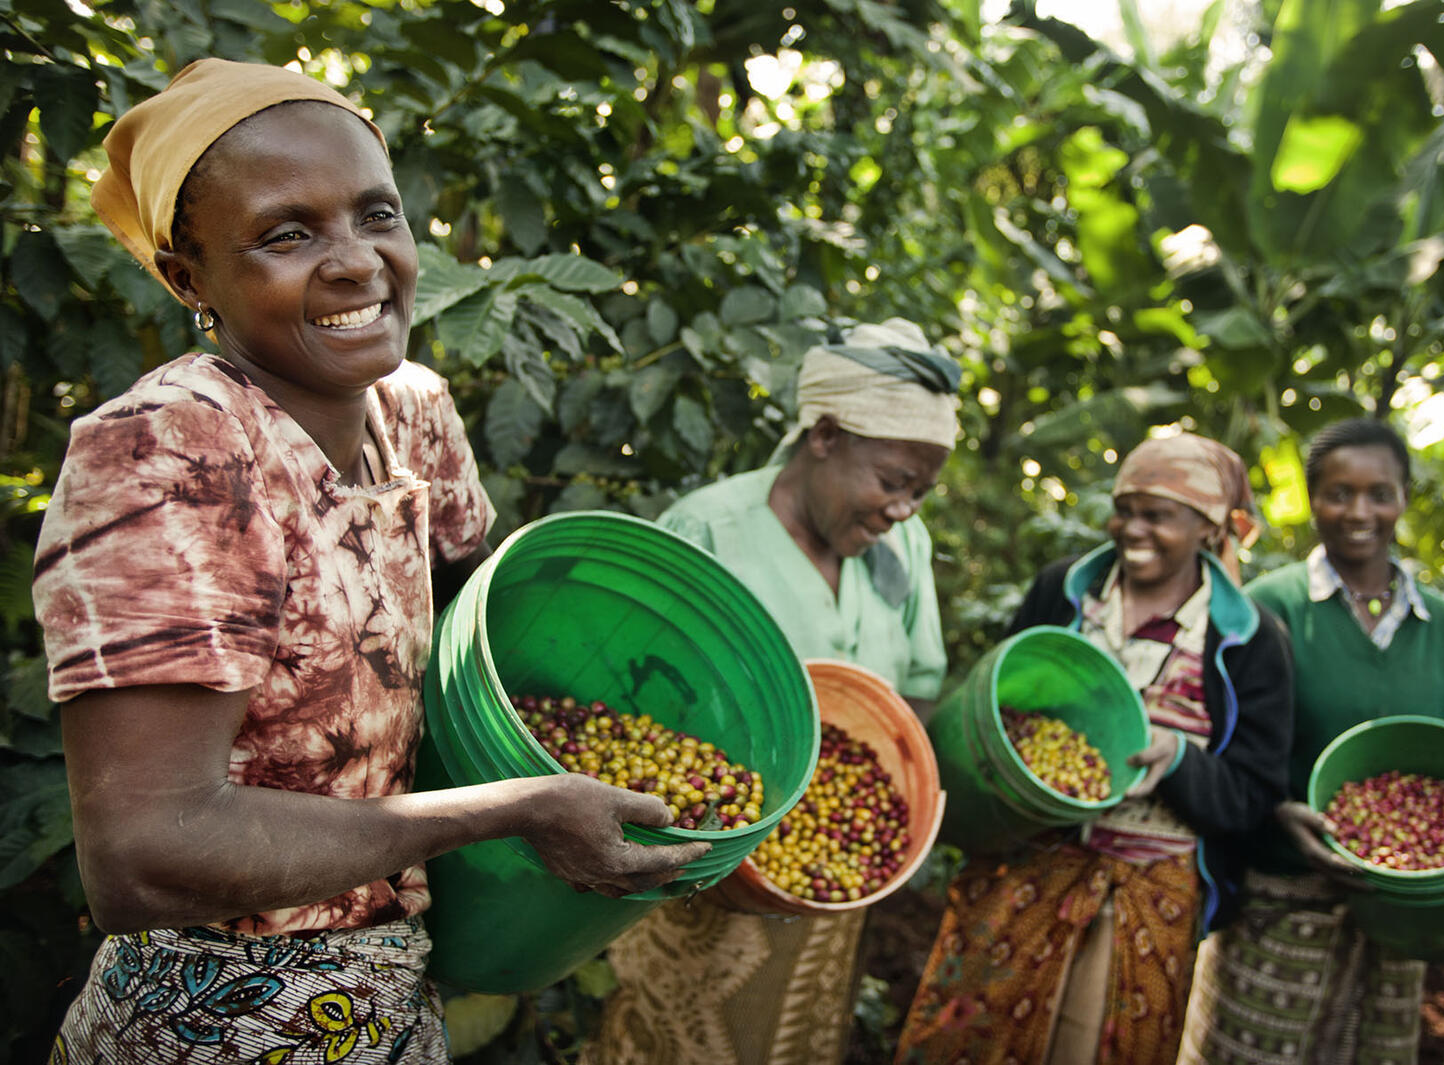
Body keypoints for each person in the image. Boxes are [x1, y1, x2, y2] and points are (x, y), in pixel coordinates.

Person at [36, 59, 708, 1064]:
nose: (356, 263)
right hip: (219, 1014)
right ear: (189, 276)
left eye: (376, 216)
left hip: (394, 987)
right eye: (288, 235)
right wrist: (515, 809)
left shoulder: (412, 411)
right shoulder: (170, 452)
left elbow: (469, 661)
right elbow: (145, 858)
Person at [579, 318, 959, 1065]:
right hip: (707, 869)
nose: (905, 509)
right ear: (822, 435)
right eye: (892, 481)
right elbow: (635, 715)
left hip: (827, 880)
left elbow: (912, 689)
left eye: (922, 491)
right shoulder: (709, 530)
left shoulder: (903, 544)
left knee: (800, 1033)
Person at [895, 432, 1295, 1065]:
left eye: (1156, 516)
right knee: (972, 1034)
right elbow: (1002, 699)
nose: (1132, 528)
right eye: (1124, 509)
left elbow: (1254, 794)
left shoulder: (1247, 639)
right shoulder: (1064, 593)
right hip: (1025, 860)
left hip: (1149, 890)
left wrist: (1177, 760)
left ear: (1207, 528)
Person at [1177, 418, 1444, 1065]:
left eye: (1380, 493)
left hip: (1400, 906)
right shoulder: (1265, 607)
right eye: (1339, 493)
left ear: (1404, 498)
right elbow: (1216, 746)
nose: (1359, 511)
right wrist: (1275, 813)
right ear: (1312, 498)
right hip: (1281, 892)